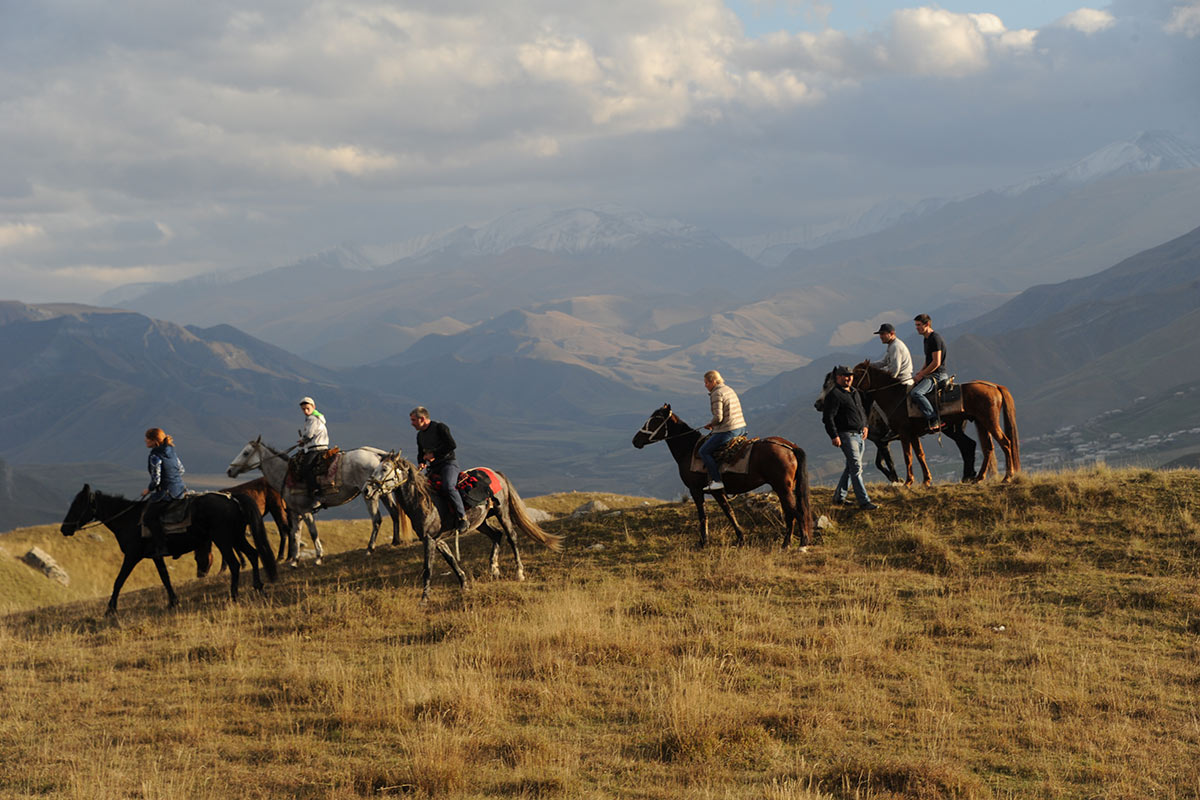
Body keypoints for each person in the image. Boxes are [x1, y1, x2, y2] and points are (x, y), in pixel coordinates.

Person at [821, 366, 877, 510]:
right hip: (846, 435)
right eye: (845, 376)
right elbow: (828, 417)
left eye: (850, 376)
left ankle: (839, 498)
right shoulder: (834, 395)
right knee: (856, 468)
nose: (848, 378)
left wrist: (865, 426)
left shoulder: (854, 392)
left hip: (859, 435)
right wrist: (834, 435)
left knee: (850, 468)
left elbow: (861, 411)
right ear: (838, 377)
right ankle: (864, 502)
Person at [410, 407, 469, 534]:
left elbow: (451, 445)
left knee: (448, 486)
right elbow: (421, 453)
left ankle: (462, 517)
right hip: (434, 467)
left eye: (414, 420)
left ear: (422, 419)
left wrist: (434, 454)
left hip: (448, 464)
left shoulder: (440, 428)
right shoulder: (420, 435)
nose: (412, 423)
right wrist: (421, 462)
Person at [141, 427, 188, 557]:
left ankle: (162, 547)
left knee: (149, 518)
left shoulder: (155, 456)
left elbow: (156, 480)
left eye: (147, 438)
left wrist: (148, 490)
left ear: (154, 441)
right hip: (180, 490)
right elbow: (181, 470)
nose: (145, 440)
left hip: (166, 493)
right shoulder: (172, 451)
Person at [698, 370, 746, 492]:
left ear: (713, 381)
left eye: (706, 383)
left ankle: (717, 481)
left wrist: (711, 424)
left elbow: (718, 418)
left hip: (728, 430)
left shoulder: (716, 393)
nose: (705, 386)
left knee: (704, 451)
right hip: (740, 427)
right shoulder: (728, 389)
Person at [909, 313, 948, 432]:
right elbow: (928, 360)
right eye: (916, 325)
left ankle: (934, 419)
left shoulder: (935, 338)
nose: (917, 328)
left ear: (927, 324)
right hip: (931, 373)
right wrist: (919, 373)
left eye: (919, 325)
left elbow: (936, 362)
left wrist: (922, 375)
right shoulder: (926, 339)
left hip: (938, 375)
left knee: (916, 393)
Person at [296, 396, 329, 497]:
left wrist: (303, 441)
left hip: (316, 448)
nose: (305, 411)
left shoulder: (312, 419)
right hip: (320, 446)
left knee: (305, 468)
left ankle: (315, 490)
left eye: (307, 408)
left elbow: (310, 434)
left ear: (313, 407)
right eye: (303, 409)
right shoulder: (317, 418)